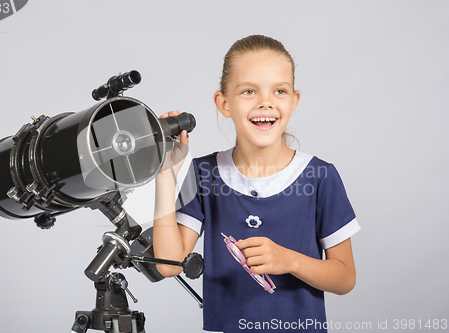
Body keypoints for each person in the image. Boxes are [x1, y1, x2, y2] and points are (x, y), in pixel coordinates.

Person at [153, 34, 360, 333]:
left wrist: (289, 260)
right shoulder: (202, 174)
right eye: (249, 91)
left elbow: (345, 278)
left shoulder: (320, 176)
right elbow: (169, 264)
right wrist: (166, 175)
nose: (266, 102)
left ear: (294, 101)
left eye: (279, 91)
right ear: (223, 103)